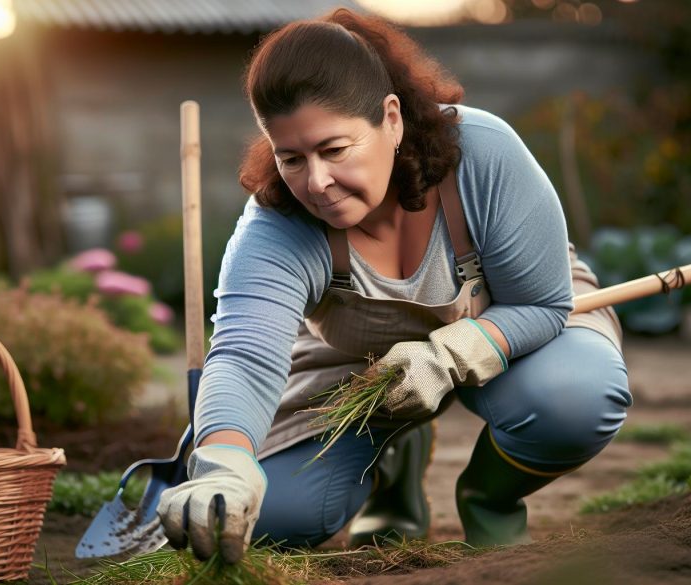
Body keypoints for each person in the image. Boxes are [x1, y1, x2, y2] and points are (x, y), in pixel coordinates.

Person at [155, 9, 631, 564]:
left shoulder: (482, 156)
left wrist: (455, 353)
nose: (317, 183)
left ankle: (490, 496)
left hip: (514, 326)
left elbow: (542, 302)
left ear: (391, 118)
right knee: (273, 517)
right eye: (292, 158)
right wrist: (224, 463)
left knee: (575, 398)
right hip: (357, 368)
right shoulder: (277, 223)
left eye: (335, 150)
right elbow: (243, 357)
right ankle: (393, 465)